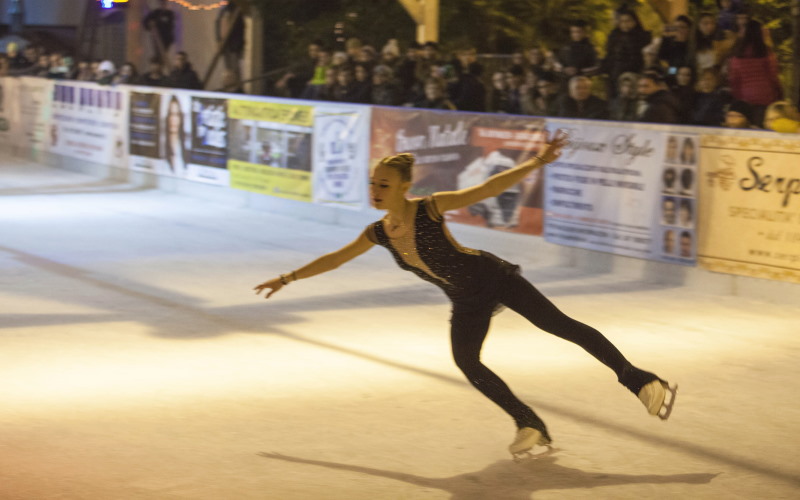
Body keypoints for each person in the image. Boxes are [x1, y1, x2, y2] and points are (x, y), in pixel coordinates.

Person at [253, 131, 677, 459]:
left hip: (494, 278)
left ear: (404, 186)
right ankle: (528, 423)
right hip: (464, 299)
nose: (376, 189)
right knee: (467, 362)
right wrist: (287, 277)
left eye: (384, 184)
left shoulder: (430, 208)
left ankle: (641, 381)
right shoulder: (379, 232)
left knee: (559, 326)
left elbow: (488, 190)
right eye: (373, 183)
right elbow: (335, 259)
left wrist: (539, 161)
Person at [143, 0, 176, 64]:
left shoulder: (170, 14)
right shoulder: (156, 13)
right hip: (157, 37)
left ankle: (161, 61)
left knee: (163, 54)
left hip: (166, 39)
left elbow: (170, 26)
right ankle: (158, 60)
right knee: (158, 52)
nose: (163, 4)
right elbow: (146, 22)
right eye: (161, 2)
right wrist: (150, 24)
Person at [164, 95, 187, 175]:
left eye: (176, 115)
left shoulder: (186, 146)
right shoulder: (162, 150)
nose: (173, 119)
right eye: (171, 114)